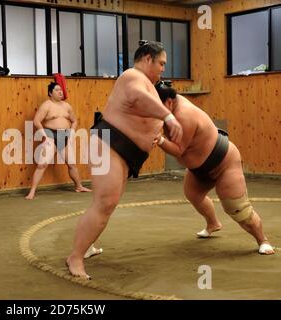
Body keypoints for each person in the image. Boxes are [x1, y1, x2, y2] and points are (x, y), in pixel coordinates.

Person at [66, 40, 183, 279]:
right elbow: (137, 97)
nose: (163, 68)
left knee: (108, 204)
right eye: (161, 63)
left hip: (124, 151)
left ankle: (85, 247)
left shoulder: (150, 84)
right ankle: (75, 257)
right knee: (105, 202)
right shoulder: (132, 76)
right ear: (147, 58)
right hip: (110, 143)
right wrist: (168, 117)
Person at [154, 80, 274, 255]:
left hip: (224, 162)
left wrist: (161, 140)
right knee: (193, 194)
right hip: (199, 169)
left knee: (237, 208)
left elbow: (179, 150)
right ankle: (213, 224)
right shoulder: (165, 108)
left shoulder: (184, 116)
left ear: (169, 103)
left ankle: (263, 240)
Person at [25, 82, 91, 200]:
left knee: (71, 164)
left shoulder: (67, 106)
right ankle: (32, 191)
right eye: (57, 90)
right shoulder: (47, 105)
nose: (60, 92)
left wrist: (71, 133)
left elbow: (74, 121)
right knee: (42, 164)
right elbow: (36, 121)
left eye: (61, 90)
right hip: (50, 134)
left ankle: (79, 186)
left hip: (64, 135)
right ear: (50, 93)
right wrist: (44, 136)